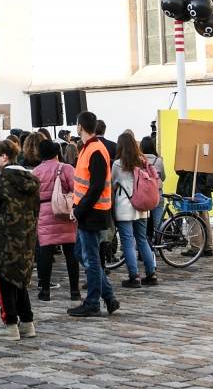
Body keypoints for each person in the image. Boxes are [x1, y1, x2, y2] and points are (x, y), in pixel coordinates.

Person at [0, 138, 39, 340]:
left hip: (3, 240)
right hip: (26, 238)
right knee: (19, 280)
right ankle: (27, 322)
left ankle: (11, 324)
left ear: (4, 157)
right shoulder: (31, 180)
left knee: (4, 280)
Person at [65, 111, 118, 319]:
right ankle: (109, 296)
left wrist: (79, 209)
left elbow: (95, 187)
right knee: (82, 254)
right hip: (90, 211)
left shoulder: (95, 150)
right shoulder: (89, 148)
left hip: (92, 212)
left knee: (91, 259)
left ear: (80, 126)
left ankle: (93, 302)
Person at [32, 138, 79, 301]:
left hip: (44, 213)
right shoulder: (66, 168)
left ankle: (45, 291)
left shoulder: (36, 172)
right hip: (64, 212)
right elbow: (76, 189)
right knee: (71, 253)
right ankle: (74, 291)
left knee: (45, 252)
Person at [111, 131, 158, 289]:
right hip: (142, 207)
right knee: (142, 239)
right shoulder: (142, 161)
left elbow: (113, 183)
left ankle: (134, 276)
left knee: (127, 242)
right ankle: (151, 274)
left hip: (125, 208)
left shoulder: (118, 164)